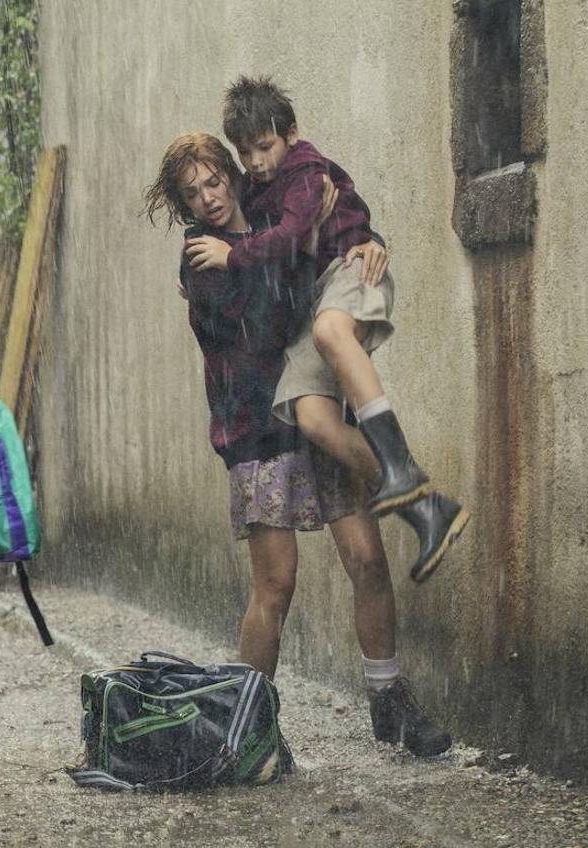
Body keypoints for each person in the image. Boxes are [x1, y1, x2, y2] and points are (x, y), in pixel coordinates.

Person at [144, 134, 451, 757]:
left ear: (231, 177)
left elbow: (333, 242)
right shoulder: (202, 259)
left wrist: (365, 245)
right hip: (256, 428)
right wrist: (295, 246)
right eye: (192, 193)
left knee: (367, 558)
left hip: (317, 413)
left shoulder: (273, 220)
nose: (208, 198)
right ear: (182, 206)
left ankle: (390, 703)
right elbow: (270, 320)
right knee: (277, 583)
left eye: (214, 181)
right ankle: (247, 727)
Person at [186, 76, 469, 584]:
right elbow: (268, 251)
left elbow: (297, 234)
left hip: (345, 272)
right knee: (314, 418)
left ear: (291, 134)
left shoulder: (304, 169)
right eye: (245, 152)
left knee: (333, 334)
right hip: (309, 306)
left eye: (264, 147)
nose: (254, 162)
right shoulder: (249, 190)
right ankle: (428, 509)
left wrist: (364, 238)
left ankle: (402, 472)